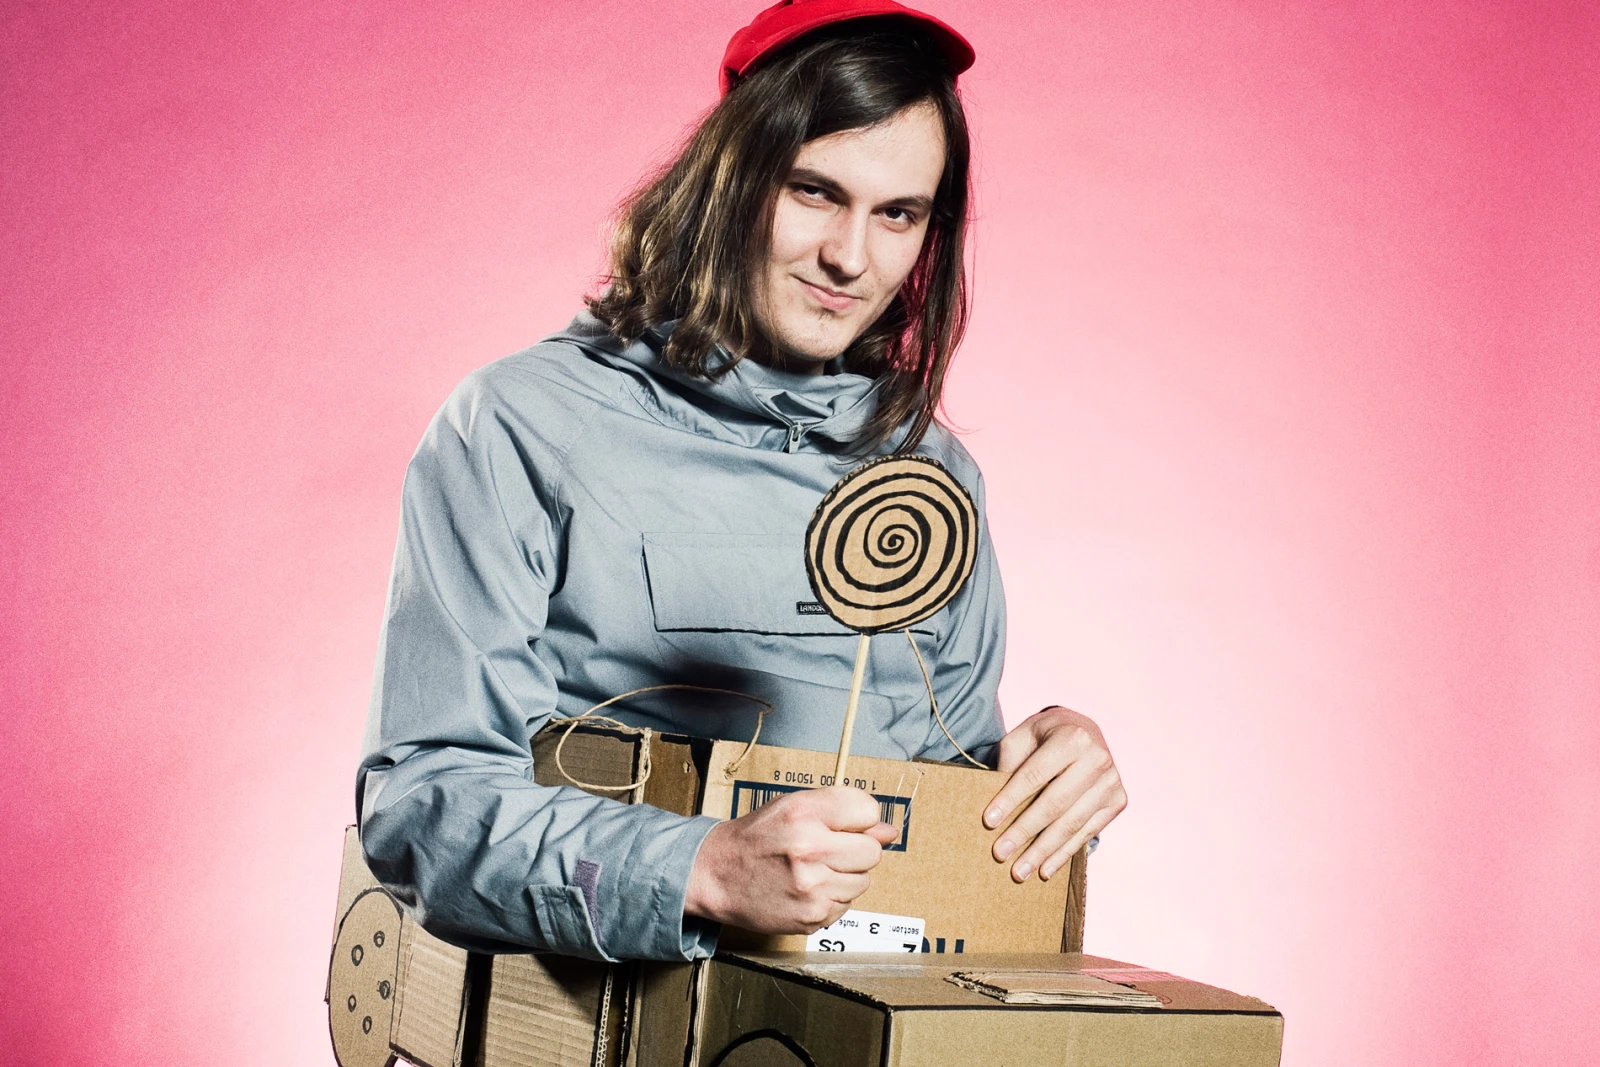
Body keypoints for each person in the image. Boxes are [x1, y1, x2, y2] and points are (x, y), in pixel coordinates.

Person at [357, 0, 1127, 963]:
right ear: (729, 176)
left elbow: (944, 831)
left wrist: (1044, 778)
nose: (850, 257)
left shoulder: (929, 477)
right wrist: (702, 870)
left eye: (898, 214)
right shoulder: (522, 424)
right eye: (814, 192)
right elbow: (424, 806)